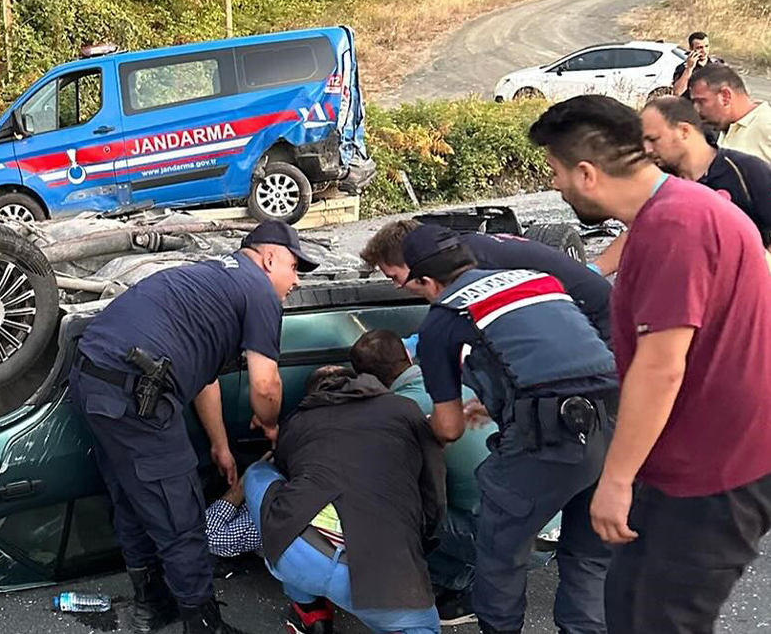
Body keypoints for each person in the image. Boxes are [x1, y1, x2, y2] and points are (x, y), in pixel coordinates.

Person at [530, 94, 771, 634]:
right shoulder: (678, 208)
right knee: (630, 604)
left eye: (555, 171)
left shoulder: (675, 228)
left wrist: (615, 480)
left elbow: (662, 367)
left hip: (713, 475)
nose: (554, 185)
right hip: (705, 461)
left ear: (587, 173)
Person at [69, 219, 316, 634]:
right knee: (179, 515)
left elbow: (204, 378)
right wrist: (272, 426)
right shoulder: (259, 292)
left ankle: (152, 605)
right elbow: (265, 384)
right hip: (135, 395)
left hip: (93, 380)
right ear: (269, 257)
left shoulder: (210, 274)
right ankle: (203, 625)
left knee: (132, 497)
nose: (295, 281)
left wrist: (220, 445)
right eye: (295, 267)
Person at [406, 223, 617, 634]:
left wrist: (412, 429)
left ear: (427, 281)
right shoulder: (537, 281)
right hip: (618, 426)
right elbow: (555, 354)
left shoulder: (443, 318)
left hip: (549, 440)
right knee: (588, 557)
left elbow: (448, 428)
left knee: (501, 550)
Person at [244, 365, 446, 634]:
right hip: (383, 573)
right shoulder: (405, 409)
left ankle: (312, 614)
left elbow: (287, 472)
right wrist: (415, 545)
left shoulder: (297, 421)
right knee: (424, 628)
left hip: (297, 551)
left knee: (260, 474)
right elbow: (433, 488)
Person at [351, 329, 487, 627]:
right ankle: (464, 575)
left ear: (370, 380)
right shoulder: (450, 383)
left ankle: (466, 591)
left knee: (392, 514)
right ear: (407, 356)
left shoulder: (398, 412)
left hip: (506, 535)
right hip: (547, 520)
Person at [592, 94, 771, 275]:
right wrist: (592, 272)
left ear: (684, 131)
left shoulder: (746, 170)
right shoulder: (657, 178)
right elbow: (636, 232)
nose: (647, 149)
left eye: (653, 139)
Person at [360, 219, 611, 341]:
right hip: (588, 312)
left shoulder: (471, 263)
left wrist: (415, 346)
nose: (396, 286)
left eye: (394, 276)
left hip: (601, 322)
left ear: (412, 260)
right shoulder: (462, 247)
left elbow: (467, 326)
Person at [688, 64, 771, 165]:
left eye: (701, 102)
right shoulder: (726, 127)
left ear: (725, 96)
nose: (697, 109)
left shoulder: (766, 125)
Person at [672, 31, 723, 98]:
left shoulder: (716, 65)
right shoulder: (683, 68)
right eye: (699, 48)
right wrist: (689, 69)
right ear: (691, 49)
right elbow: (677, 92)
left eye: (706, 46)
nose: (704, 50)